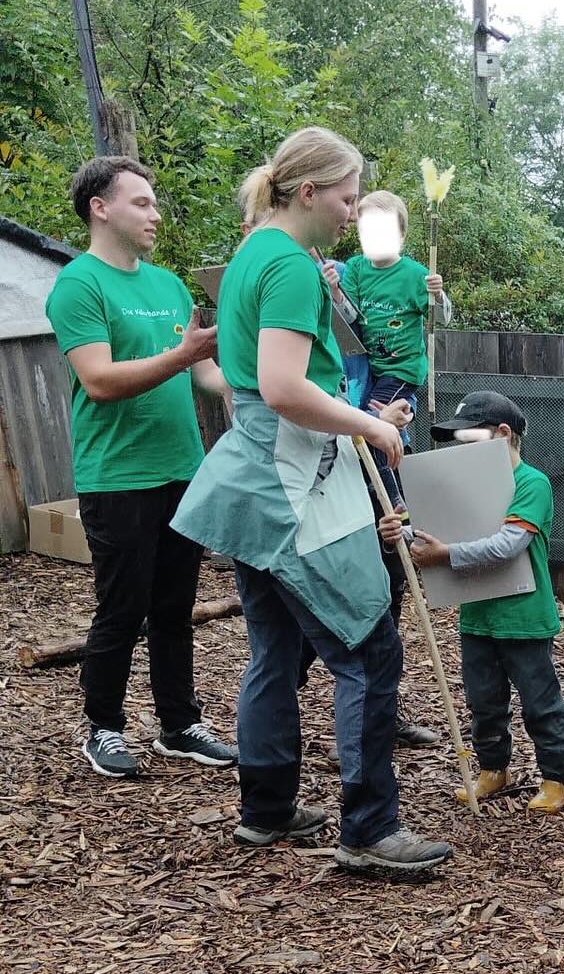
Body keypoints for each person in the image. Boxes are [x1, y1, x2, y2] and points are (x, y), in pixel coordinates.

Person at [170, 126, 451, 878]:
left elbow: (243, 379)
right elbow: (284, 387)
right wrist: (369, 424)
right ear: (307, 192)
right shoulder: (291, 265)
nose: (353, 213)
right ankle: (369, 828)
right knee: (370, 650)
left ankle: (265, 808)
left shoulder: (251, 254)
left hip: (249, 480)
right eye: (347, 198)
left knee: (275, 649)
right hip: (293, 486)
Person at [44, 155, 238, 778]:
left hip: (182, 469)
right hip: (117, 477)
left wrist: (262, 382)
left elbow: (207, 376)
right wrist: (182, 356)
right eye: (142, 202)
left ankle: (178, 724)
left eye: (153, 203)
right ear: (100, 209)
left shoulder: (169, 286)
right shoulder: (79, 285)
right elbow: (99, 381)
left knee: (175, 608)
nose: (155, 214)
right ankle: (103, 728)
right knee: (122, 609)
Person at [381, 389, 564, 816]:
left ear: (502, 434)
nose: (460, 445)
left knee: (539, 702)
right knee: (483, 700)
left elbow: (508, 545)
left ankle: (554, 777)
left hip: (525, 618)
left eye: (469, 436)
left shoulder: (532, 483)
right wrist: (402, 534)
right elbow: (436, 532)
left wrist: (444, 554)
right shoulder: (462, 485)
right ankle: (492, 768)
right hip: (477, 616)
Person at [325, 190, 448, 749]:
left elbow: (440, 323)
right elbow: (346, 323)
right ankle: (360, 719)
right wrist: (333, 288)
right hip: (359, 383)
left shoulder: (415, 274)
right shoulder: (351, 270)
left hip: (396, 378)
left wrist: (439, 298)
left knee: (385, 440)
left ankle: (392, 504)